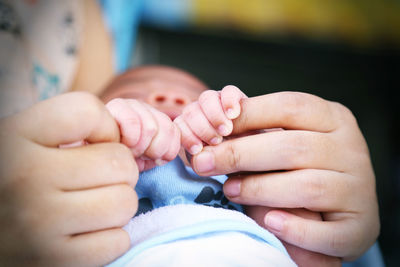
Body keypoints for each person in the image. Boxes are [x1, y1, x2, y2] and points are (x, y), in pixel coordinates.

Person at [0, 1, 381, 266]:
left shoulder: (238, 168)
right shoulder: (85, 154)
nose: (166, 95)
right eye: (137, 94)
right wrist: (108, 136)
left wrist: (315, 202)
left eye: (193, 99)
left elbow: (305, 253)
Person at [99, 65, 340, 266]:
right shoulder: (106, 163)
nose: (172, 96)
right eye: (131, 92)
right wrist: (107, 139)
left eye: (195, 97)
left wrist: (259, 162)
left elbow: (310, 259)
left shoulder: (235, 172)